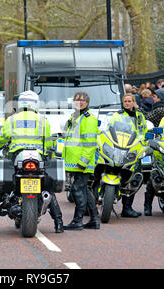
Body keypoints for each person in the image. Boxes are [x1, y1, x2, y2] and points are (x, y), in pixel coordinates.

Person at [0, 91, 64, 233]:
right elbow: (48, 142)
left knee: (7, 181)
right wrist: (46, 154)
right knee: (47, 188)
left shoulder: (12, 119)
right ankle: (58, 222)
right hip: (37, 156)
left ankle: (4, 200)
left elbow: (1, 138)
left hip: (17, 155)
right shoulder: (42, 119)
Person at [63, 92, 100, 230]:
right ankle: (94, 220)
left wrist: (83, 162)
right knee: (84, 189)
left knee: (76, 189)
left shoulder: (89, 119)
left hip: (81, 162)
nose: (80, 102)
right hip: (74, 161)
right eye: (77, 100)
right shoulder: (75, 117)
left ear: (88, 103)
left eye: (83, 100)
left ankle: (77, 221)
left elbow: (90, 144)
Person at [115, 94, 147, 218]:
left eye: (129, 101)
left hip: (135, 151)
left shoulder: (140, 116)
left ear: (134, 102)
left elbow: (143, 131)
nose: (127, 103)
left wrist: (144, 144)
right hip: (120, 149)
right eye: (125, 101)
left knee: (134, 179)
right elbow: (111, 129)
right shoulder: (117, 115)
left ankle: (127, 208)